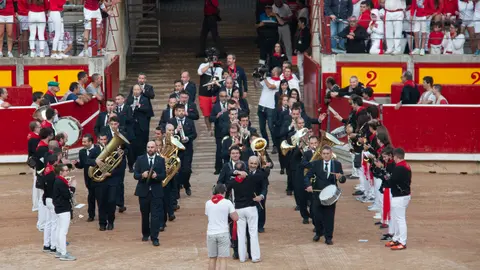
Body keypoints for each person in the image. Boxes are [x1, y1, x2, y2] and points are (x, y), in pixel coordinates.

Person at [304, 145, 345, 245]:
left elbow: (343, 179)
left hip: (331, 195)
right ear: (321, 155)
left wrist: (340, 178)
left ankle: (328, 237)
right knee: (317, 216)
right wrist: (308, 185)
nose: (326, 156)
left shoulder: (337, 164)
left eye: (328, 154)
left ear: (331, 154)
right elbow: (307, 176)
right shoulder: (315, 164)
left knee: (329, 217)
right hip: (317, 194)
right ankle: (319, 232)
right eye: (324, 154)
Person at [227, 160, 261, 263]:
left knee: (240, 234)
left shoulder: (232, 182)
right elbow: (262, 175)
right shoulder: (251, 178)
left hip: (239, 209)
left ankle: (242, 257)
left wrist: (235, 173)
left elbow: (227, 191)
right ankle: (255, 257)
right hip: (250, 208)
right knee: (253, 233)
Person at [134, 141, 167, 246]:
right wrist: (142, 175)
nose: (150, 149)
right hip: (143, 191)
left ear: (156, 148)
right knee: (144, 214)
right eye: (148, 147)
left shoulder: (160, 160)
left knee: (155, 216)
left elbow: (163, 175)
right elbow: (135, 175)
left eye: (152, 147)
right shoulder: (140, 159)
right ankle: (145, 233)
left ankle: (155, 237)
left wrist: (156, 176)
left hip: (156, 192)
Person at [205, 184, 239, 270]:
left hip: (211, 233)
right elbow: (235, 218)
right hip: (223, 232)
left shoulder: (208, 203)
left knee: (212, 258)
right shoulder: (227, 202)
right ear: (224, 192)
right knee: (223, 259)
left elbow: (208, 216)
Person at [384, 148, 411, 250]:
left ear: (396, 156)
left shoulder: (399, 168)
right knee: (397, 218)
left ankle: (402, 242)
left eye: (394, 157)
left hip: (399, 196)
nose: (393, 159)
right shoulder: (406, 166)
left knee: (400, 219)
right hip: (403, 195)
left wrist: (387, 178)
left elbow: (391, 182)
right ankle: (396, 239)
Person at [168, 103, 197, 196]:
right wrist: (175, 130)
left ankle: (186, 184)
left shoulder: (190, 121)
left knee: (187, 170)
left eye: (182, 110)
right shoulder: (171, 121)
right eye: (179, 111)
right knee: (176, 170)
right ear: (175, 112)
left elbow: (194, 134)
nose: (181, 112)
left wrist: (188, 138)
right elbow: (167, 134)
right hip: (175, 150)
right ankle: (177, 191)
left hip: (187, 149)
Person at [52, 163, 77, 261]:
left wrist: (68, 185)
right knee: (63, 231)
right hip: (63, 209)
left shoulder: (59, 180)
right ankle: (63, 253)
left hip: (59, 208)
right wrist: (73, 187)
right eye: (66, 170)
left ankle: (59, 250)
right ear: (61, 172)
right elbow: (68, 195)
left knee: (59, 229)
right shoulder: (61, 182)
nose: (68, 172)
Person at [74, 134, 101, 222]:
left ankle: (102, 215)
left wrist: (91, 161)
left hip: (98, 177)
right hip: (88, 178)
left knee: (100, 197)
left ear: (90, 142)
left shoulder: (98, 149)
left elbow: (99, 162)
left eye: (85, 142)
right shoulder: (82, 152)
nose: (83, 143)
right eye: (83, 142)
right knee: (91, 196)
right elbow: (82, 165)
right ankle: (91, 215)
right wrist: (76, 164)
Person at [198, 52, 224, 134]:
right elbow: (199, 72)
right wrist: (209, 65)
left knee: (217, 112)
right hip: (204, 94)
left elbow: (220, 80)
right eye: (213, 58)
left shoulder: (220, 69)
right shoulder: (203, 65)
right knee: (206, 114)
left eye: (216, 58)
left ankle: (217, 128)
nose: (214, 60)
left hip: (215, 93)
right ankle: (209, 129)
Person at [256, 67, 281, 149]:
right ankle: (265, 143)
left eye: (273, 70)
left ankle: (275, 144)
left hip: (271, 107)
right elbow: (257, 86)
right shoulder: (268, 78)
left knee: (271, 127)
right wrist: (256, 77)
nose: (271, 70)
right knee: (262, 127)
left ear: (277, 72)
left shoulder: (279, 81)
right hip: (261, 105)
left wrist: (264, 78)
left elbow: (270, 86)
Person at [294, 17, 311, 84]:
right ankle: (301, 79)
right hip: (298, 51)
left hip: (304, 51)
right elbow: (297, 40)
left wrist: (301, 50)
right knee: (298, 65)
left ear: (302, 23)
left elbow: (306, 42)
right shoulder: (299, 30)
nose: (298, 23)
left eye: (299, 22)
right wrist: (296, 48)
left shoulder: (306, 31)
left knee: (304, 65)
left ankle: (304, 79)